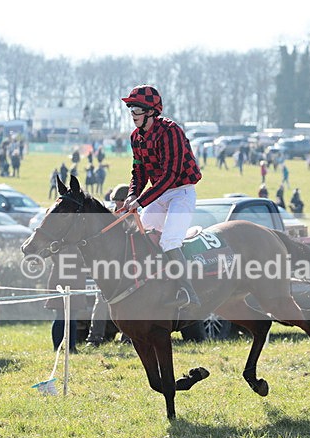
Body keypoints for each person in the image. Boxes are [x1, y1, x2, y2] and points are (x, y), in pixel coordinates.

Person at [120, 85, 202, 311]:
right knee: (141, 235)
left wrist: (142, 201)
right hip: (159, 192)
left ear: (150, 111)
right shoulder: (135, 137)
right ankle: (150, 285)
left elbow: (170, 175)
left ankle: (188, 292)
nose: (132, 114)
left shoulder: (171, 131)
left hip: (181, 191)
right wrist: (132, 195)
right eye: (131, 109)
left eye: (136, 109)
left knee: (169, 241)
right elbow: (138, 172)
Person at [85, 184, 128, 347]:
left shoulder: (134, 214)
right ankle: (94, 338)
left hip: (126, 265)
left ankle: (127, 336)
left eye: (121, 201)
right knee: (101, 301)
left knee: (127, 302)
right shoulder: (107, 216)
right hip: (107, 266)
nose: (118, 204)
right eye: (116, 201)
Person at [45, 244, 86, 352]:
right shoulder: (63, 244)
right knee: (61, 315)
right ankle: (60, 346)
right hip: (63, 280)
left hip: (73, 280)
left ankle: (70, 346)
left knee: (71, 316)